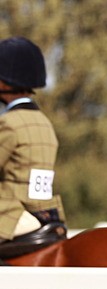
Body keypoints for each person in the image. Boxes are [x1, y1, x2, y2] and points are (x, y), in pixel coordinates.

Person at [0, 36, 67, 255]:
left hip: (11, 212)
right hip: (46, 210)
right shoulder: (43, 122)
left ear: (4, 82)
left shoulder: (9, 123)